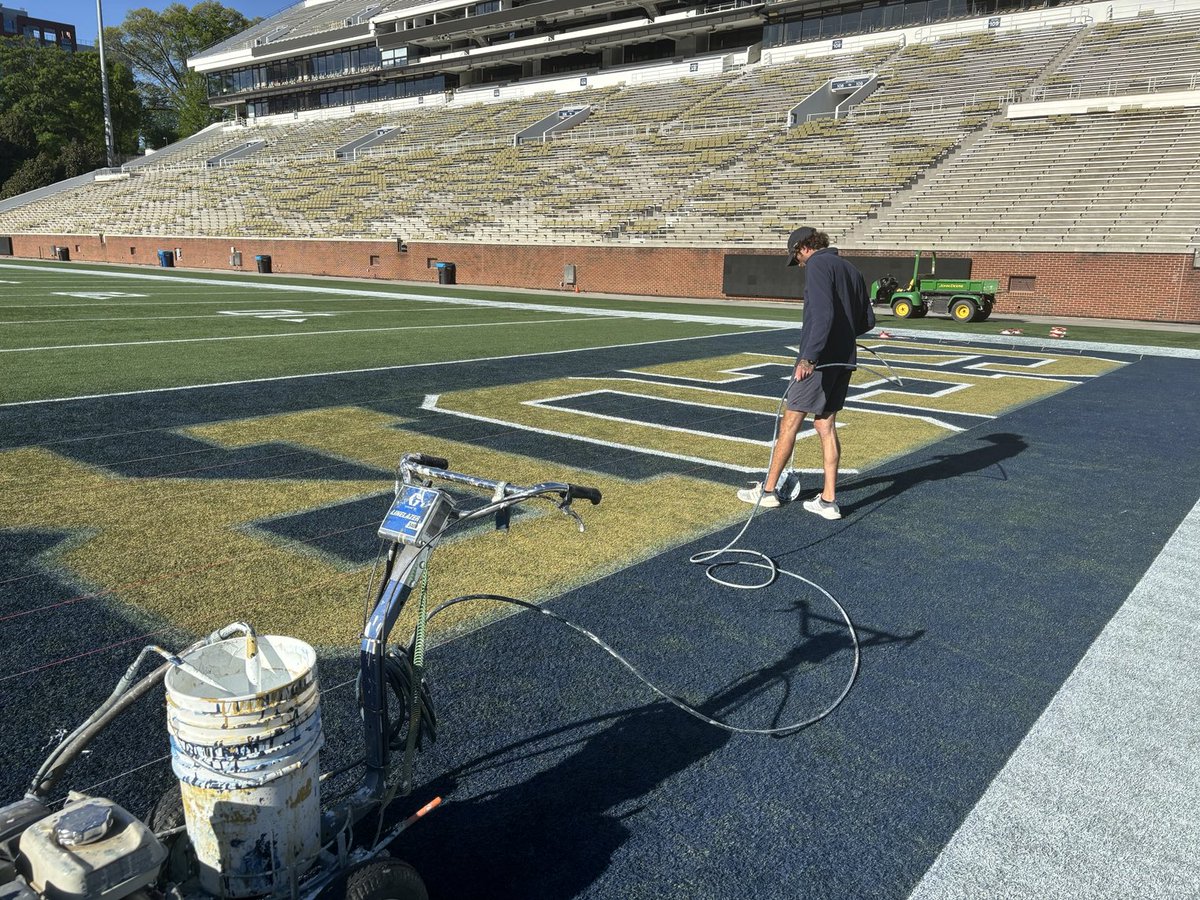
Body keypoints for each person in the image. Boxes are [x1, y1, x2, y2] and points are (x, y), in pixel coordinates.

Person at [736, 226, 875, 520]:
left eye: (796, 257)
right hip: (843, 360)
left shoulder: (818, 265)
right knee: (825, 425)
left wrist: (809, 357)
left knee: (790, 423)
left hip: (819, 362)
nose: (798, 263)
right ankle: (828, 500)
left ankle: (769, 491)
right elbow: (868, 321)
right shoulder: (851, 269)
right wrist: (843, 335)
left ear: (804, 248)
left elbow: (823, 314)